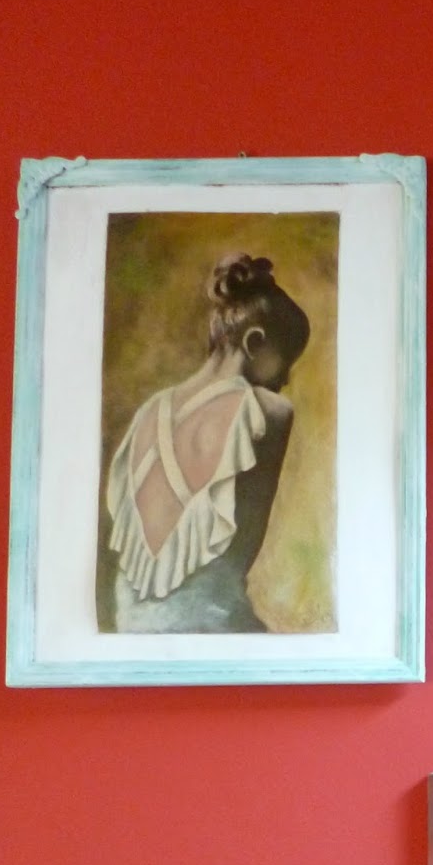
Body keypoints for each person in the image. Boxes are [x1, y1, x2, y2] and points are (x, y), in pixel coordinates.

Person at [104, 253, 311, 632]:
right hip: (210, 628)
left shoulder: (149, 411)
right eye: (286, 361)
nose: (286, 379)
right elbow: (240, 558)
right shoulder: (269, 410)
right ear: (255, 342)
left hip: (129, 630)